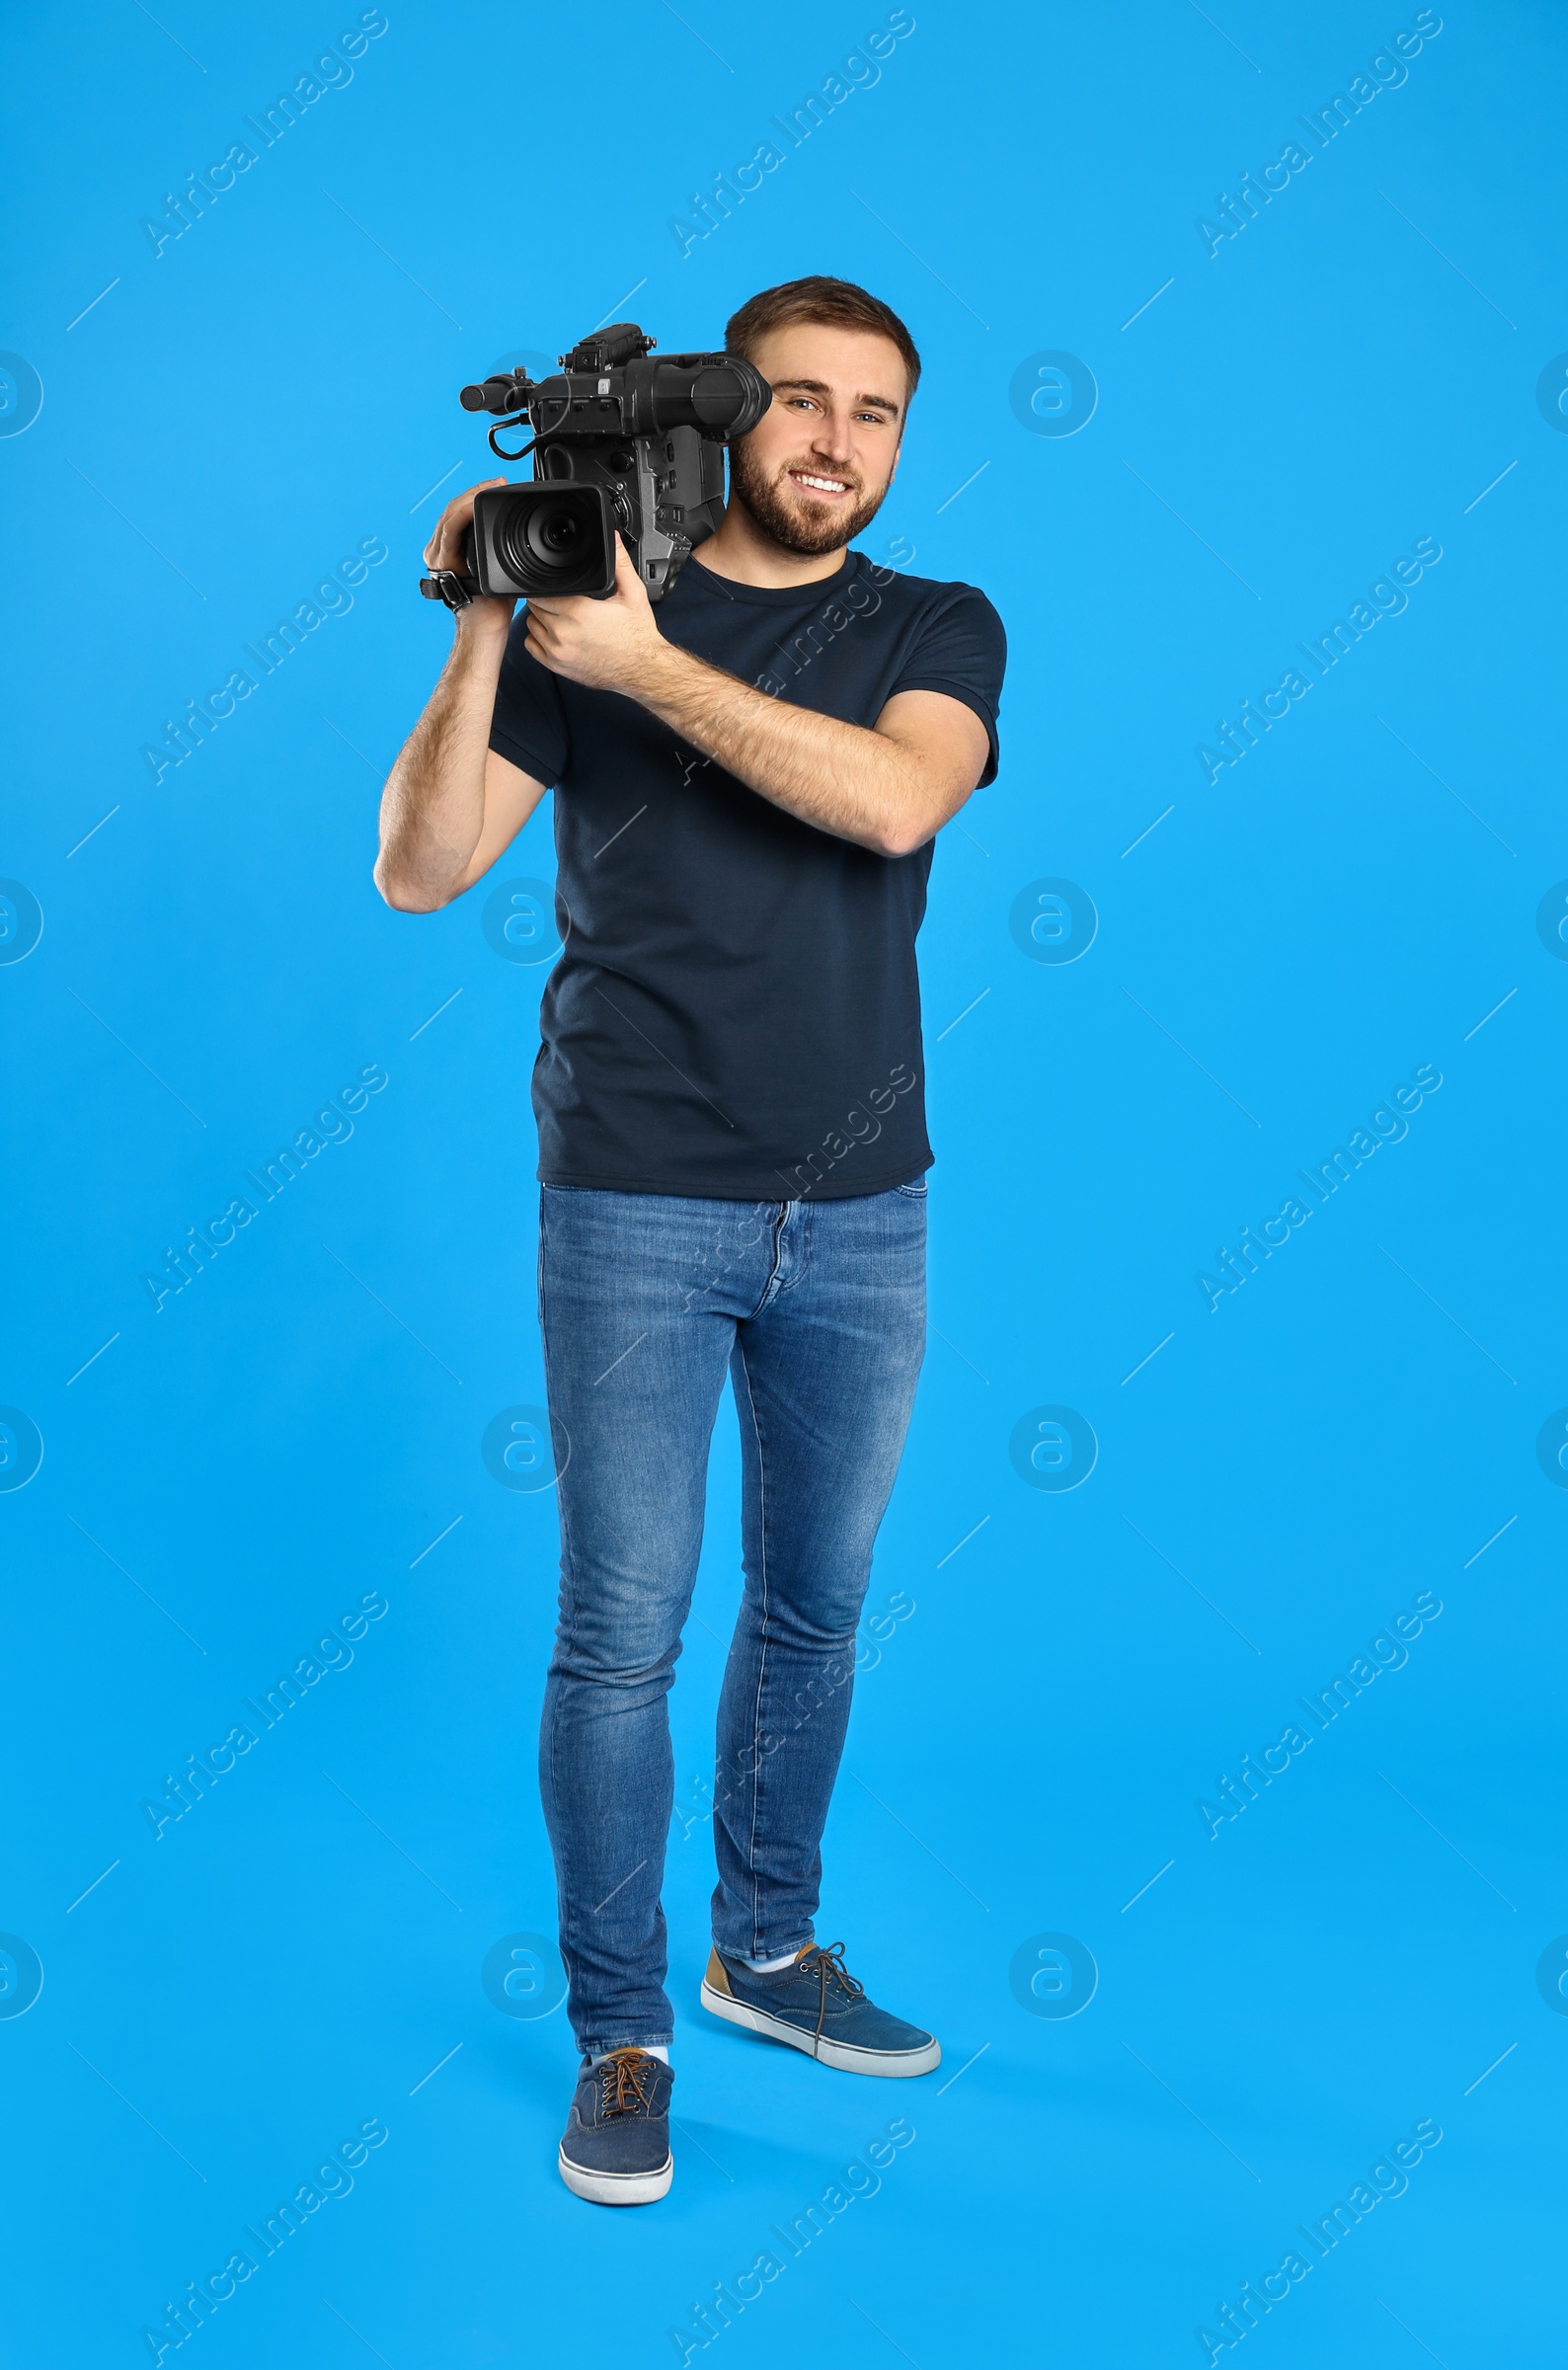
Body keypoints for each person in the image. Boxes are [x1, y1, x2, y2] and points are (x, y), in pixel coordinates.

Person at [374, 276, 1006, 2205]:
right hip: (634, 1193)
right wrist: (492, 615)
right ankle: (619, 2039)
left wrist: (644, 667)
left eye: (872, 413)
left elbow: (895, 801)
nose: (832, 441)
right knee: (620, 1636)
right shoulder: (582, 618)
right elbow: (415, 867)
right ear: (726, 415)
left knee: (810, 1608)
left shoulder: (930, 624)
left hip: (863, 1208)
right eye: (799, 401)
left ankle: (766, 1950)